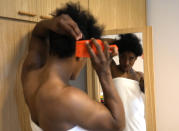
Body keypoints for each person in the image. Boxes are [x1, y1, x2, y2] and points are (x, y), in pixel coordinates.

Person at [21, 3, 125, 131]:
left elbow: (38, 34)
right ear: (80, 54)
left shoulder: (31, 72)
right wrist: (104, 72)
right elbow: (118, 126)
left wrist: (51, 23)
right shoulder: (68, 98)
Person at [110, 33, 146, 131]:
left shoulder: (140, 76)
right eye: (123, 57)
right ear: (119, 55)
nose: (126, 62)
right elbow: (99, 42)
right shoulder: (112, 69)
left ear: (136, 58)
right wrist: (117, 44)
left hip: (139, 127)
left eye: (131, 58)